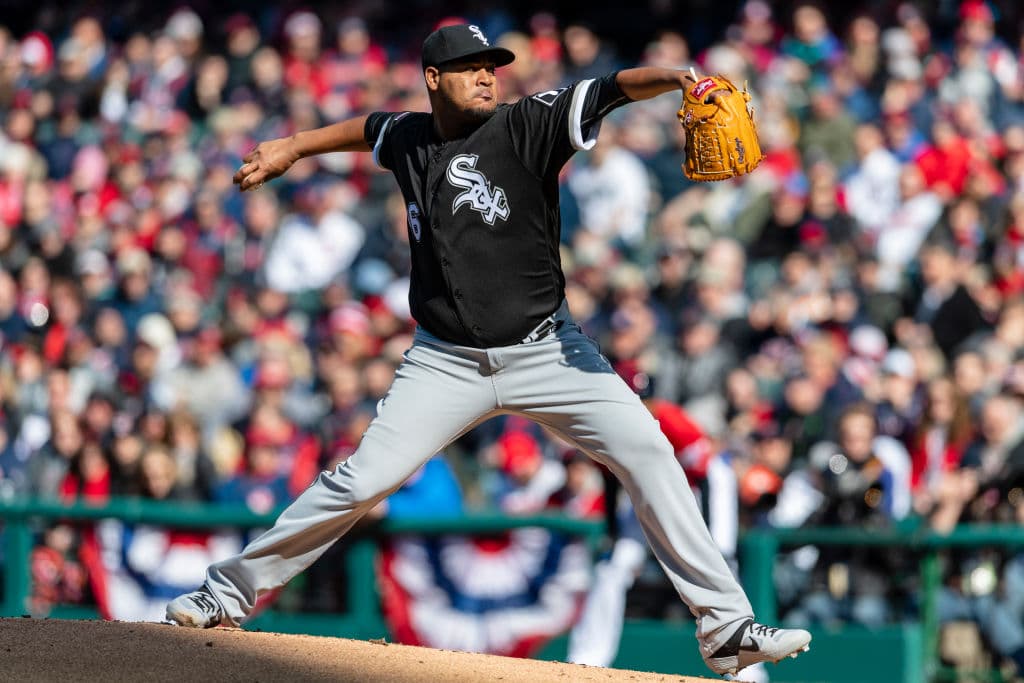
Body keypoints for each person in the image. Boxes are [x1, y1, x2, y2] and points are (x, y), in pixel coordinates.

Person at [165, 23, 811, 676]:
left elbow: (611, 88)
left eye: (490, 66)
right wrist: (294, 146)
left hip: (549, 352)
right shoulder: (410, 137)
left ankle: (725, 626)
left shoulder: (527, 124)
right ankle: (225, 593)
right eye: (470, 66)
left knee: (648, 450)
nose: (485, 76)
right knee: (359, 479)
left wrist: (675, 78)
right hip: (444, 362)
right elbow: (367, 129)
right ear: (433, 78)